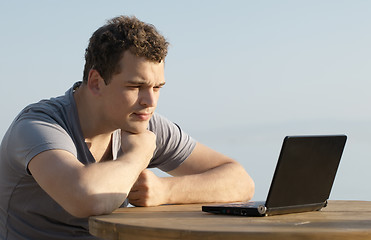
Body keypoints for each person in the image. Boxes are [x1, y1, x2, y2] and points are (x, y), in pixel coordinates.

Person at [0, 15, 254, 240]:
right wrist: (137, 157)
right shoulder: (38, 126)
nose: (150, 102)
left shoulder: (143, 121)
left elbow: (240, 181)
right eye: (135, 87)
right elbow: (84, 197)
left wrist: (164, 190)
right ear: (96, 82)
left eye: (157, 88)